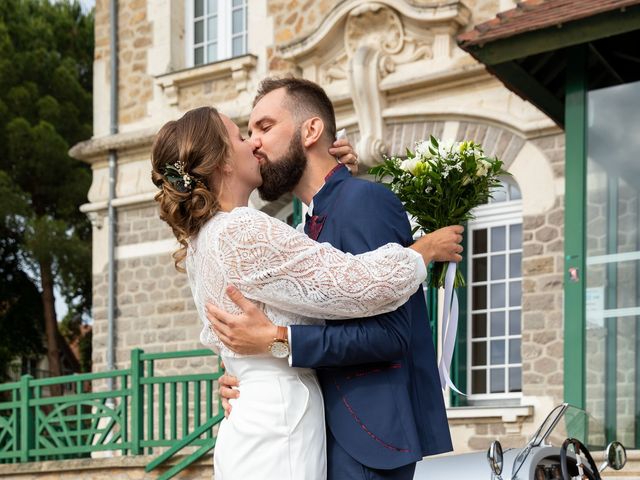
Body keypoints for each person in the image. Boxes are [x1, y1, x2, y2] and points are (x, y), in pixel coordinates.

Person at [150, 104, 463, 480]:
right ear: (223, 164)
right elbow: (354, 284)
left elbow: (295, 275)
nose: (253, 144)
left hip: (262, 412)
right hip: (280, 420)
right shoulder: (242, 230)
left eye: (261, 128)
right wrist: (421, 253)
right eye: (241, 136)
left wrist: (337, 185)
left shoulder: (207, 238)